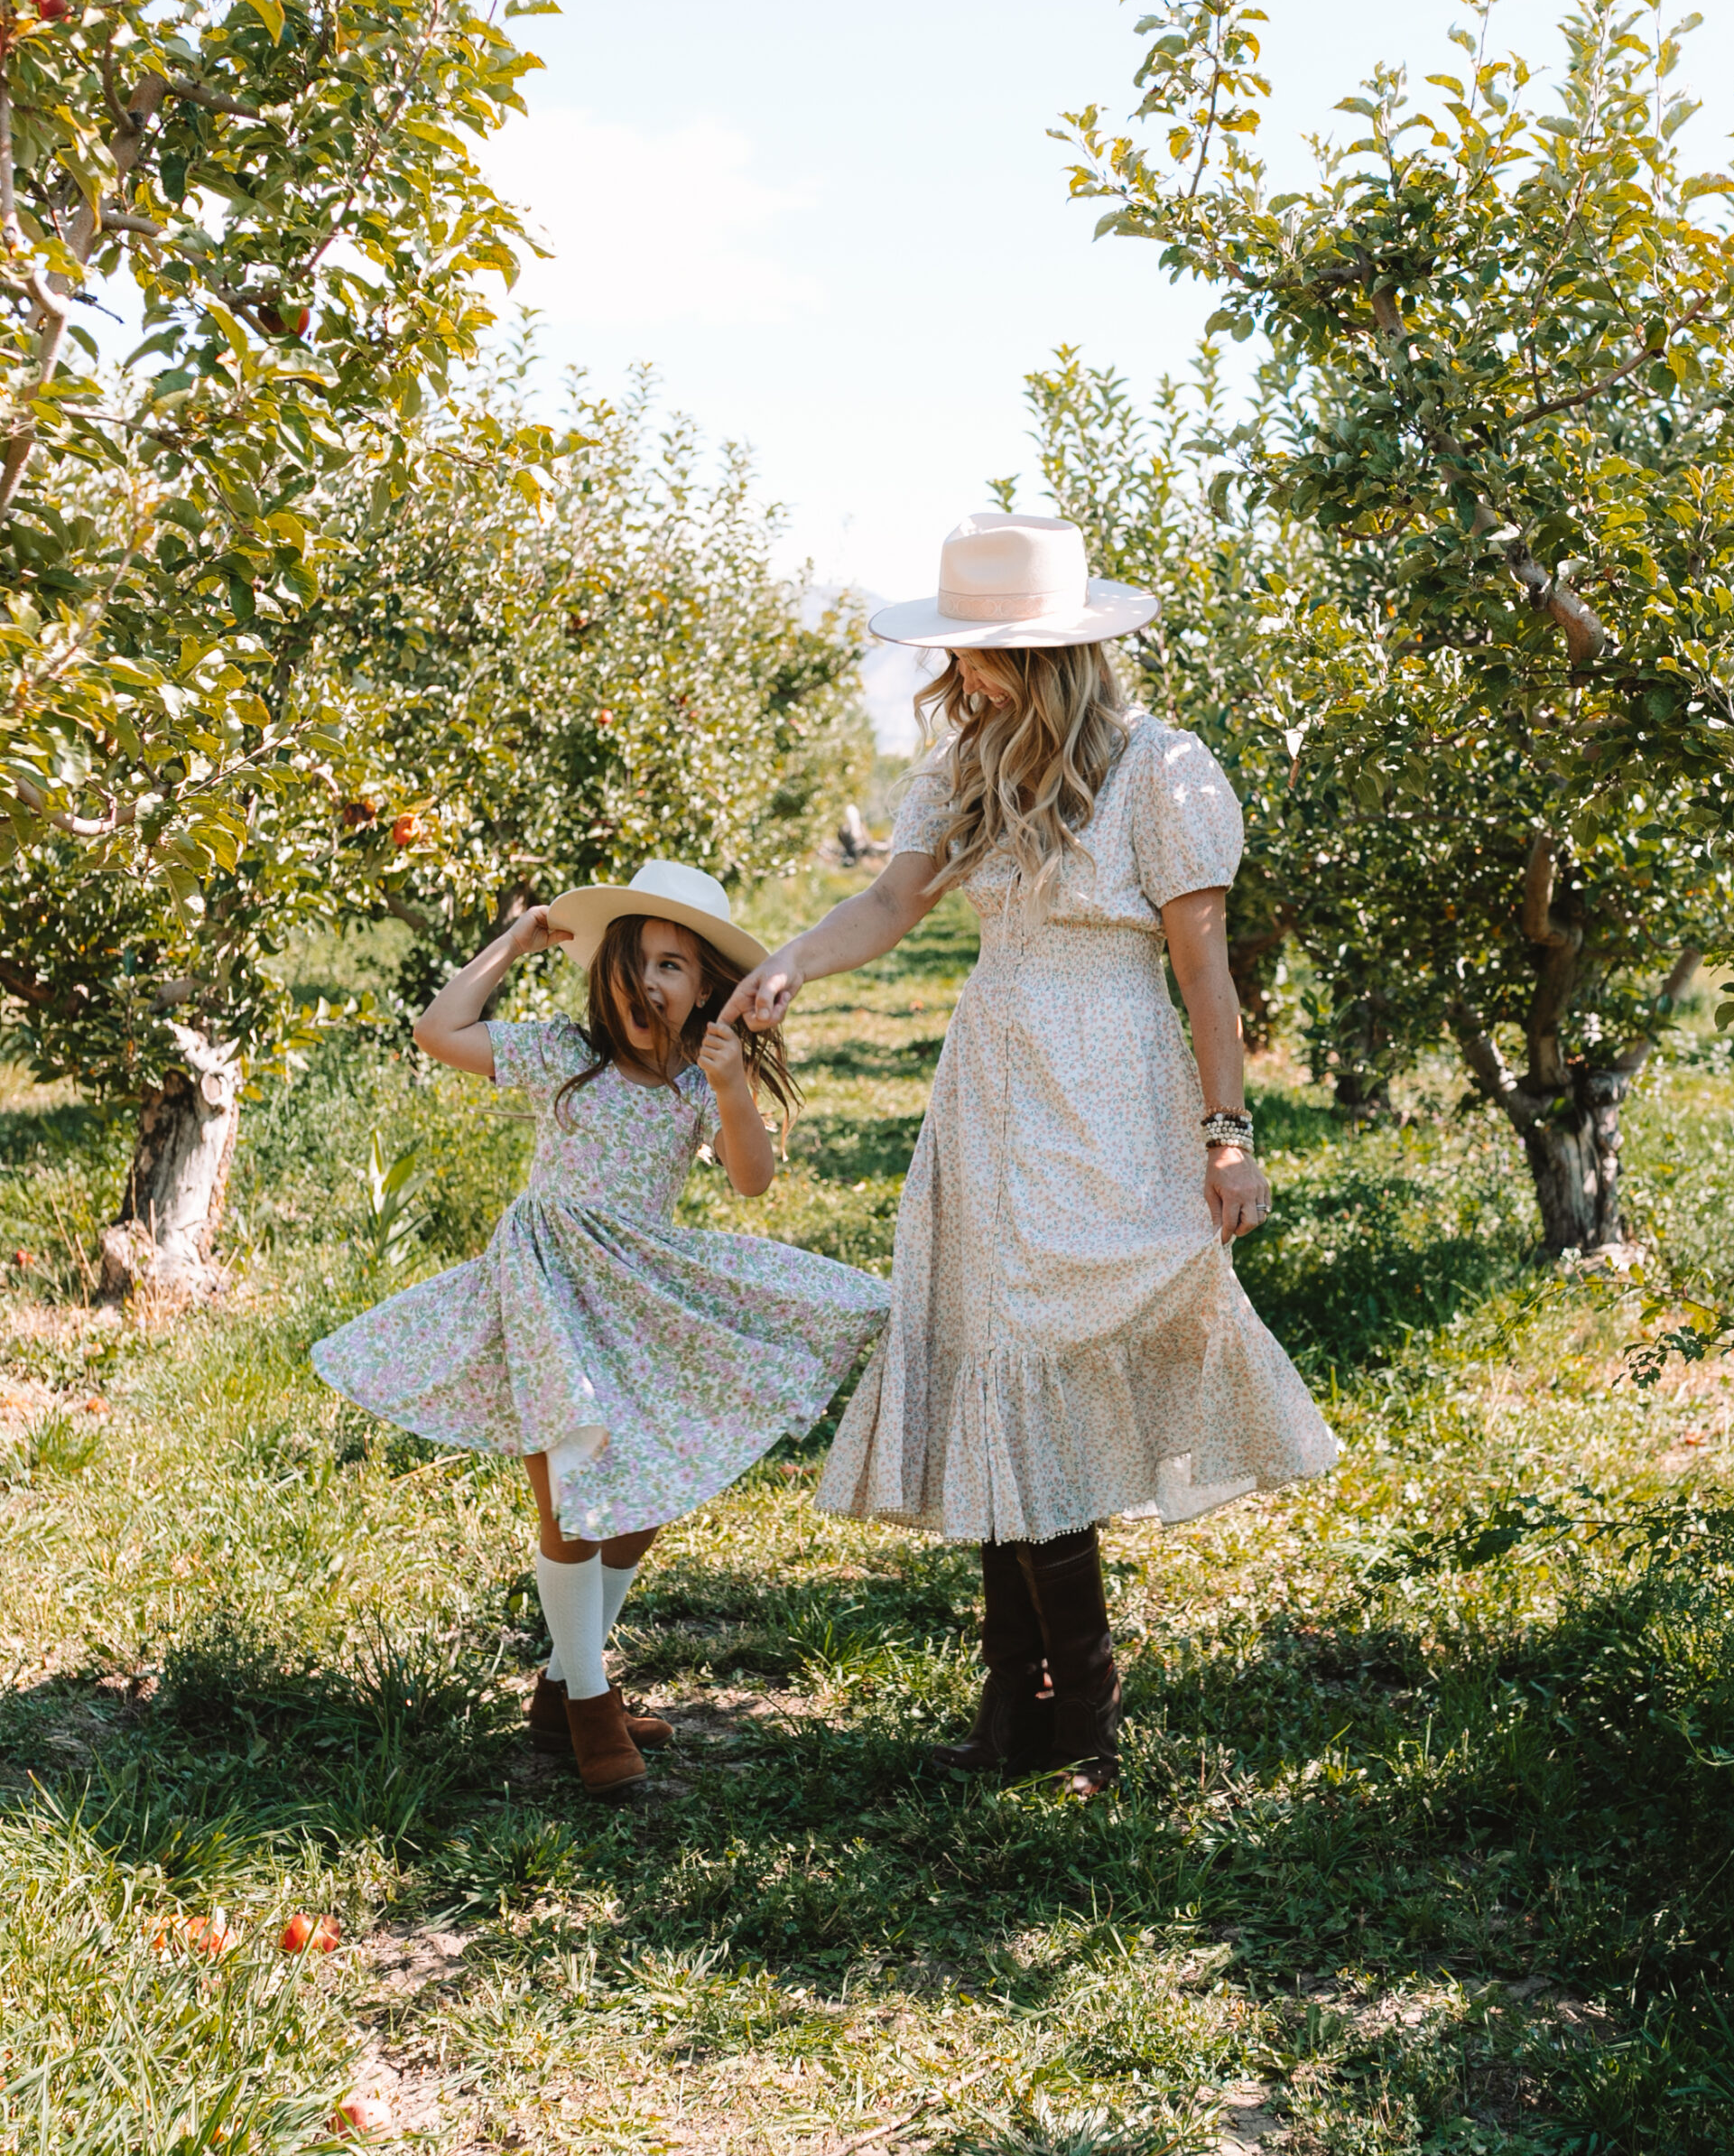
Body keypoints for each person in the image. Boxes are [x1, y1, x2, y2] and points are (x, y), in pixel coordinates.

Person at [723, 514, 1340, 1798]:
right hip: (993, 1079)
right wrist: (790, 959)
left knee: (1056, 1353)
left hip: (1112, 1082)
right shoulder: (964, 768)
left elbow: (1202, 968)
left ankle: (1086, 1718)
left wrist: (1229, 1136)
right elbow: (893, 903)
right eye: (963, 654)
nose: (969, 675)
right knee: (996, 1361)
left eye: (993, 656)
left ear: (1059, 654)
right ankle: (1023, 1703)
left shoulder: (1162, 771)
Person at [311, 861, 890, 1801]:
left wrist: (735, 1086)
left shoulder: (697, 1083)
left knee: (641, 1494)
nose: (647, 982)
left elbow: (751, 1180)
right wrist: (517, 938)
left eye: (671, 964)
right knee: (572, 1491)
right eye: (631, 960)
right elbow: (436, 1031)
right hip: (547, 1285)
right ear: (604, 973)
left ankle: (555, 1686)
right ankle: (587, 1702)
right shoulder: (563, 1055)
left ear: (705, 986)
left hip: (639, 1296)